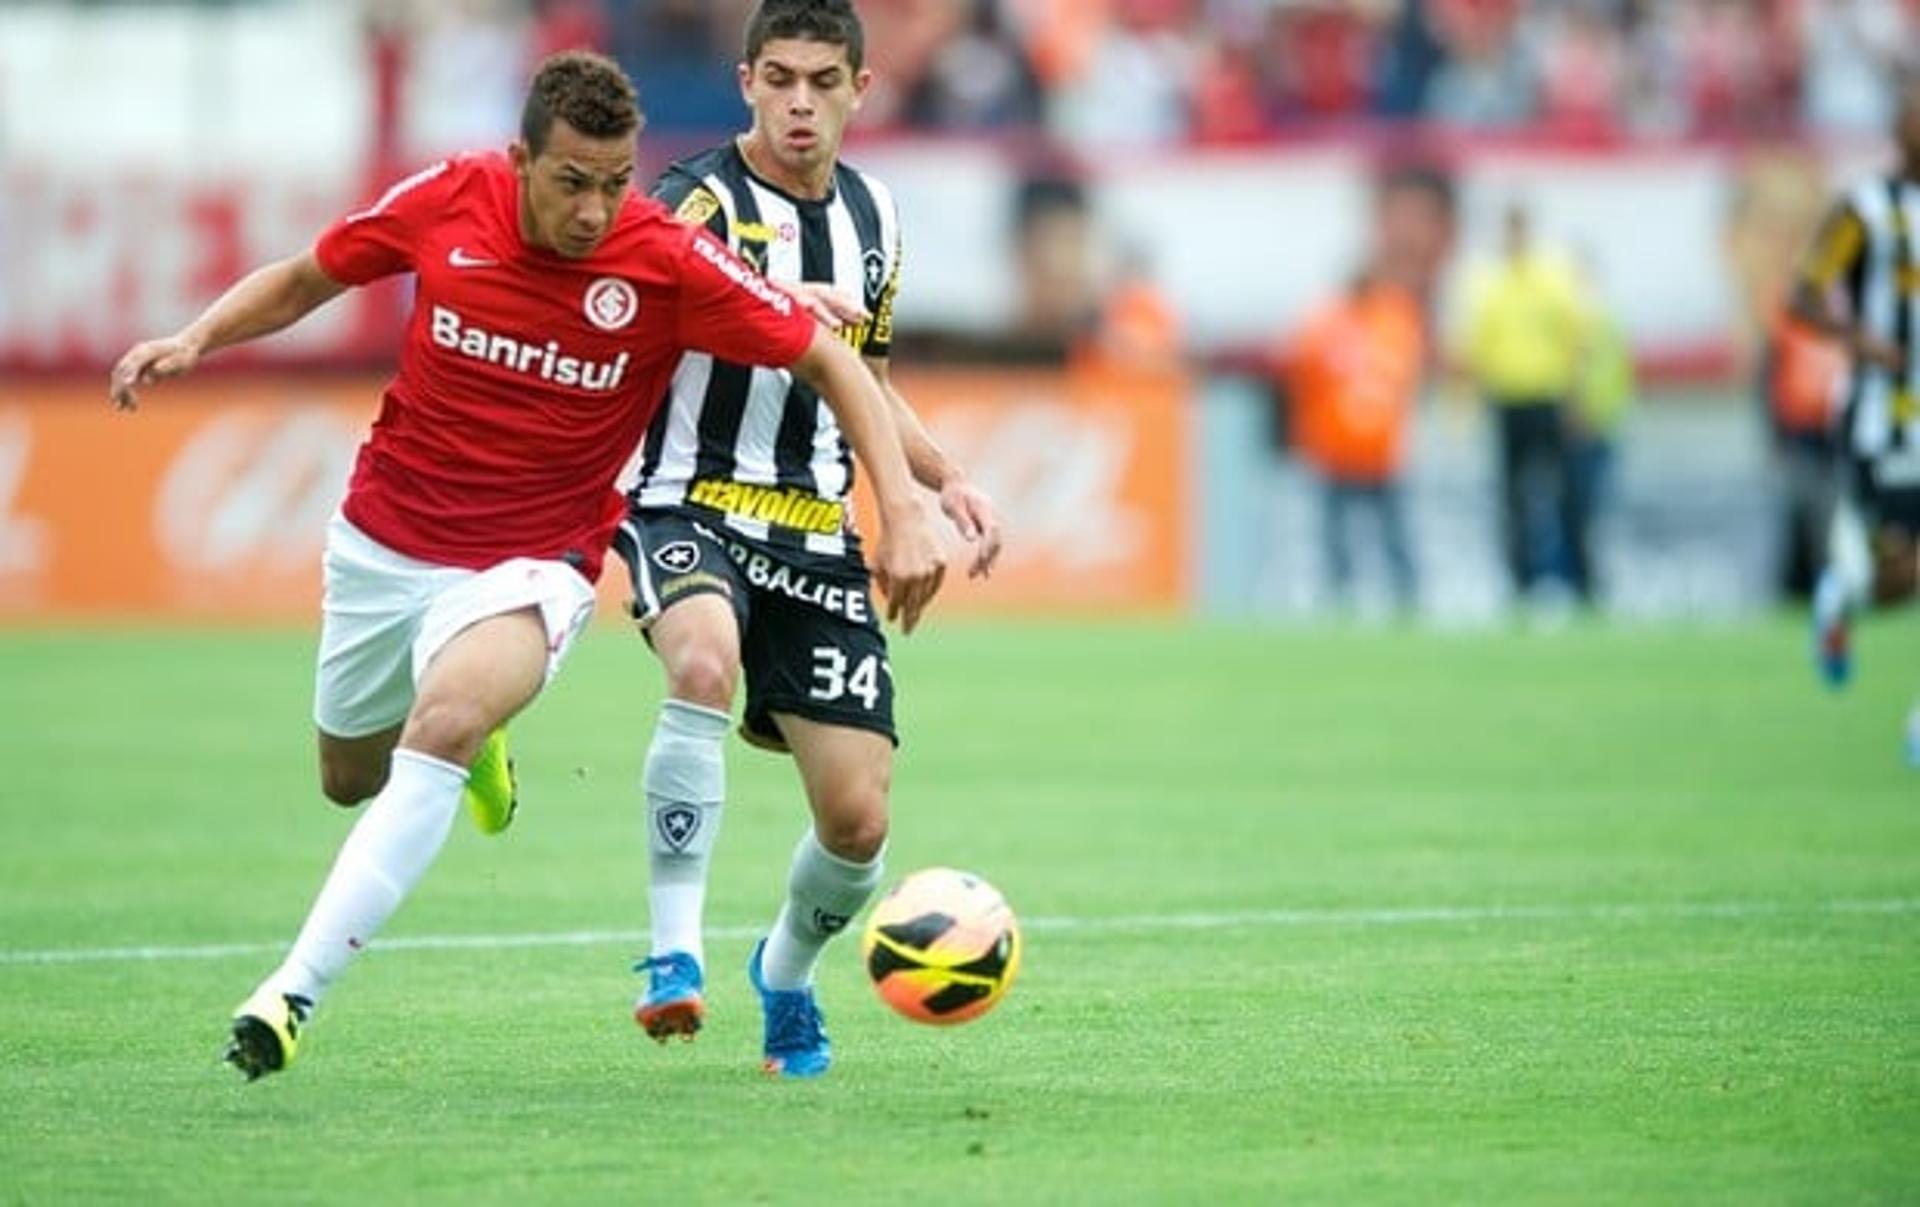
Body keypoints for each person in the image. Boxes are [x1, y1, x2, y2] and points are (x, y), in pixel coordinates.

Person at [106, 49, 947, 1080]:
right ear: (519, 163)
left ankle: (289, 993)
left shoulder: (662, 255)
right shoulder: (448, 200)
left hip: (535, 560)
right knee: (347, 776)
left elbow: (828, 358)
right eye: (571, 183)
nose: (596, 211)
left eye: (615, 182)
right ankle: (474, 737)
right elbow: (306, 278)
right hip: (386, 541)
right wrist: (196, 338)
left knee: (447, 722)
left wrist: (903, 503)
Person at [615, 0, 1002, 1079]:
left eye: (821, 82)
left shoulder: (874, 211)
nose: (798, 102)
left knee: (858, 817)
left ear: (859, 91)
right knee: (700, 656)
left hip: (815, 526)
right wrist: (781, 296)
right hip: (686, 496)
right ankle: (671, 955)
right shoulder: (691, 199)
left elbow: (865, 379)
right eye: (778, 78)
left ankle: (783, 974)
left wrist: (944, 477)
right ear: (745, 81)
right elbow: (655, 301)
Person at [1790, 61, 1920, 730]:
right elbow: (1804, 293)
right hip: (1885, 417)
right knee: (1903, 572)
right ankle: (1846, 593)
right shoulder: (1866, 209)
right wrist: (1862, 341)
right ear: (1901, 125)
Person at [1460, 200, 1591, 607]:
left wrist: (1575, 399)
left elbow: (1574, 342)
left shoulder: (1551, 279)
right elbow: (1477, 349)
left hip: (1547, 397)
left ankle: (1580, 582)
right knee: (1512, 500)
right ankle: (1520, 584)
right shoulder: (1491, 284)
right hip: (1508, 400)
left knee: (1564, 493)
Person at [1286, 266, 1424, 613]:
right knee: (1337, 532)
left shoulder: (1392, 321)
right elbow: (1304, 378)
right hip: (1337, 445)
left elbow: (1406, 378)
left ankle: (1405, 592)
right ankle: (1341, 594)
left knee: (1390, 529)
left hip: (1379, 447)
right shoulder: (1327, 323)